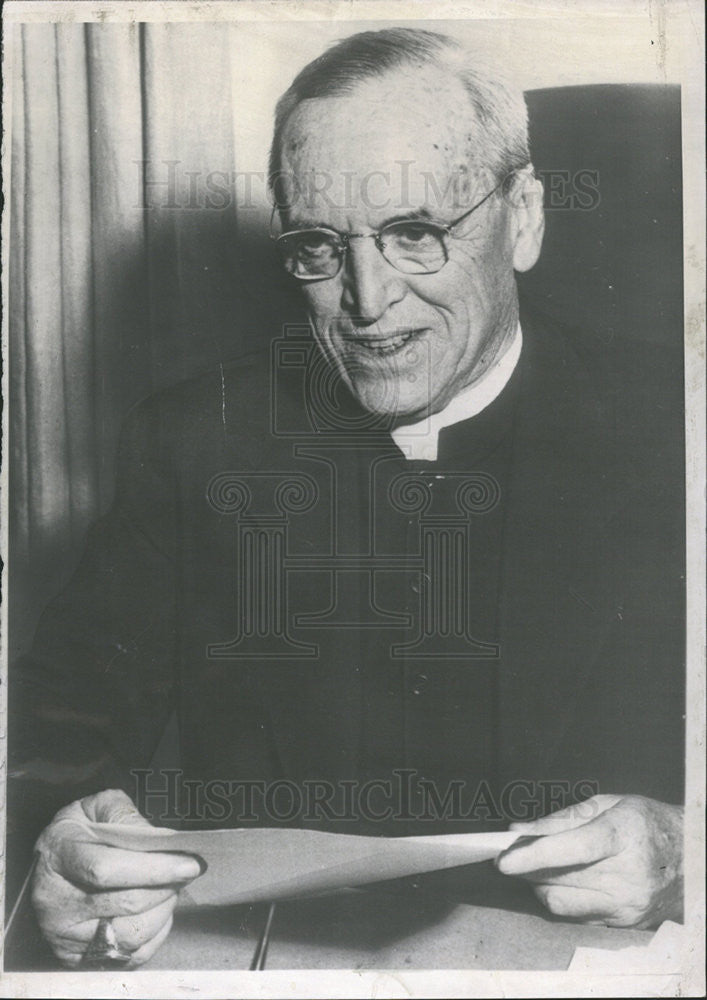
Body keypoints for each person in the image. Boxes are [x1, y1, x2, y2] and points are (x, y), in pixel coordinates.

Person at [8, 28, 684, 968]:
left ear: (523, 218)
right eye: (320, 249)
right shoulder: (195, 440)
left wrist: (681, 845)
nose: (367, 301)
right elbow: (51, 722)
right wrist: (57, 843)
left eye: (415, 234)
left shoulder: (673, 431)